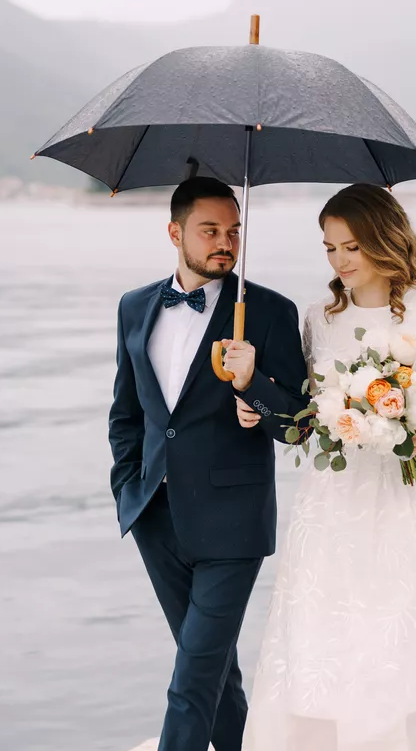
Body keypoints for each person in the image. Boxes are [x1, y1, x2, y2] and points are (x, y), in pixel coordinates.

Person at [235, 182, 416, 750]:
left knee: (414, 650)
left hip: (414, 503)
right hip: (334, 503)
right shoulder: (319, 319)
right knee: (329, 643)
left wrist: (414, 435)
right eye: (329, 248)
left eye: (351, 247)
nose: (339, 261)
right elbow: (309, 415)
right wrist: (254, 397)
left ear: (383, 242)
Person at [109, 176, 309, 751]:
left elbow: (298, 423)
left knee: (192, 679)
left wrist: (255, 385)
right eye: (211, 231)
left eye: (234, 231)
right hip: (155, 515)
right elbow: (126, 412)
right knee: (213, 672)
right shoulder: (134, 307)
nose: (226, 242)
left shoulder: (269, 312)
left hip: (233, 520)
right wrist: (128, 484)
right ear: (175, 233)